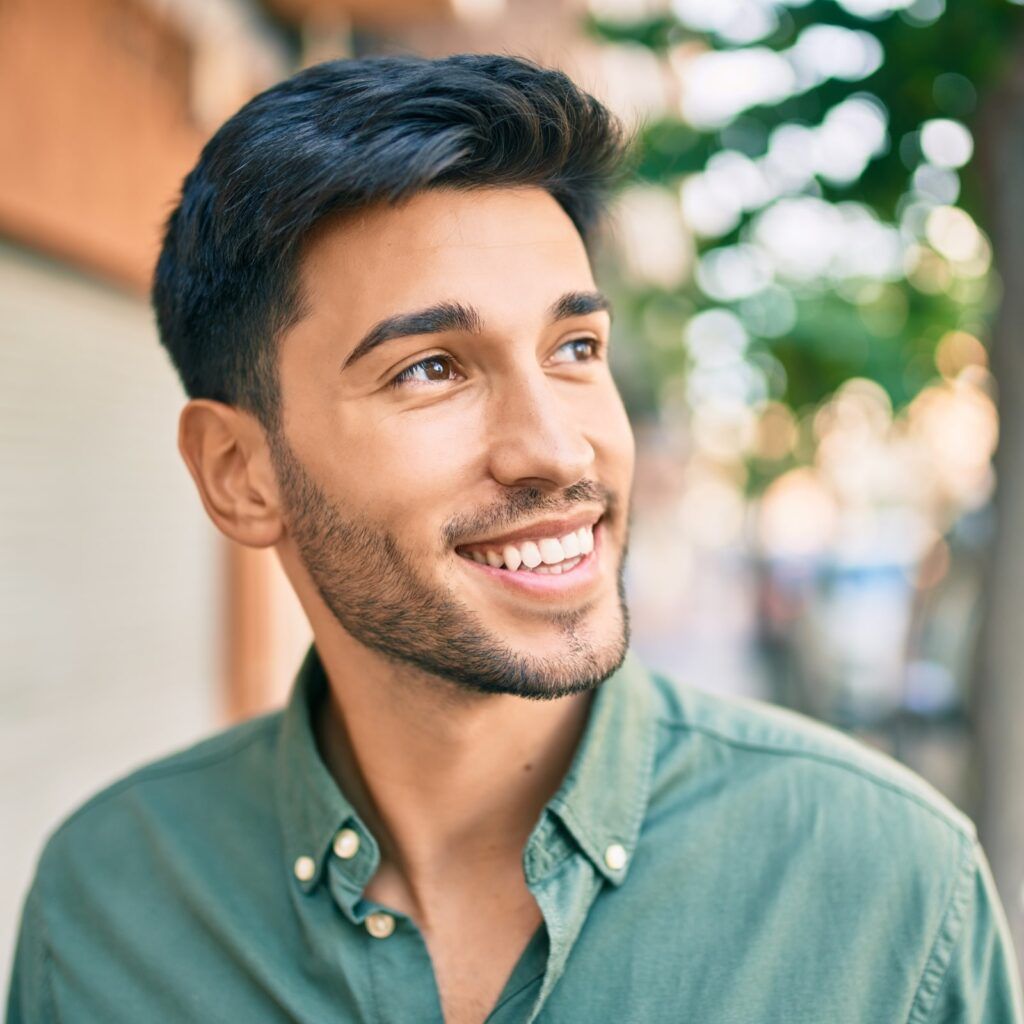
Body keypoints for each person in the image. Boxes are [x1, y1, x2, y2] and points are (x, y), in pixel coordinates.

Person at [5, 52, 1021, 1024]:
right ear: (240, 473)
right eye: (429, 369)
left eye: (575, 347)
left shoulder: (889, 883)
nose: (553, 448)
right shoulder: (108, 905)